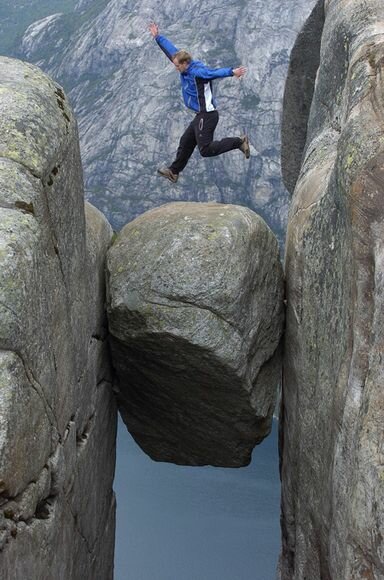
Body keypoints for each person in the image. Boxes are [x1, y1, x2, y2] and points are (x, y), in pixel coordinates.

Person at [149, 22, 250, 183]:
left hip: (207, 114)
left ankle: (239, 142)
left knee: (205, 149)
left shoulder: (198, 72)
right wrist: (157, 37)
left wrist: (232, 72)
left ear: (184, 64)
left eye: (177, 66)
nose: (175, 68)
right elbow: (170, 50)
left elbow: (214, 73)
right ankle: (174, 172)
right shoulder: (182, 63)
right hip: (200, 115)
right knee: (186, 141)